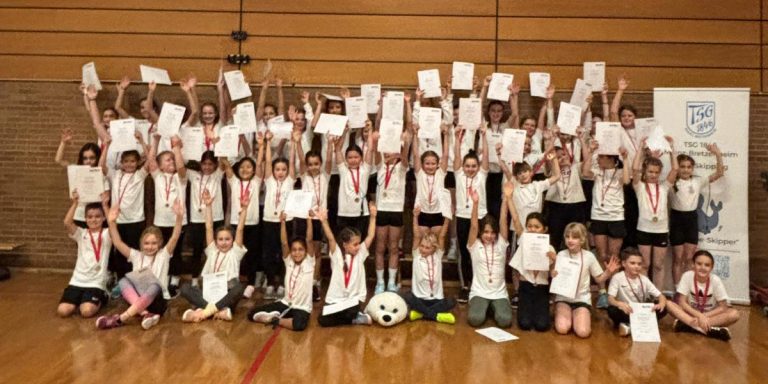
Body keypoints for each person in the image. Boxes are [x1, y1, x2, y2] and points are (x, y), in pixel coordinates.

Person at [97, 198, 184, 330]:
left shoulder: (163, 254)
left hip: (157, 301)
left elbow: (175, 237)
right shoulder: (136, 255)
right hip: (139, 298)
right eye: (146, 243)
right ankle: (145, 313)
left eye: (154, 243)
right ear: (141, 244)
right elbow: (118, 243)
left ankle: (120, 319)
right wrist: (112, 222)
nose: (150, 247)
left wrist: (179, 217)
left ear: (160, 243)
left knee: (155, 285)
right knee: (122, 281)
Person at [180, 189, 249, 323]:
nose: (224, 242)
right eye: (221, 239)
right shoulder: (212, 250)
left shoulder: (235, 252)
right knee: (185, 288)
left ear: (232, 240)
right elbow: (209, 227)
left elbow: (240, 229)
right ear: (216, 241)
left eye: (227, 239)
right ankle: (218, 311)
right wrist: (208, 206)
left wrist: (244, 209)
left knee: (240, 288)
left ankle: (204, 311)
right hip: (208, 291)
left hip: (225, 292)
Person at [316, 205, 378, 327]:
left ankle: (353, 316)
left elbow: (370, 235)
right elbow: (331, 239)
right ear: (345, 245)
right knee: (322, 319)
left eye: (359, 243)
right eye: (355, 244)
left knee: (351, 310)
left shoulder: (360, 254)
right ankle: (354, 319)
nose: (358, 246)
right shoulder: (337, 255)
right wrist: (324, 221)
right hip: (336, 300)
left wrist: (372, 217)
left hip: (352, 301)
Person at [57, 193, 111, 319]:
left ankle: (104, 295)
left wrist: (105, 205)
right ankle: (81, 299)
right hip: (77, 280)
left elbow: (113, 224)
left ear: (103, 218)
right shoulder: (81, 233)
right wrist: (75, 203)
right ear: (85, 219)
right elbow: (67, 222)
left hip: (96, 283)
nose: (94, 220)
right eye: (90, 217)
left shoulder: (107, 234)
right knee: (63, 311)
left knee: (86, 312)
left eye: (98, 216)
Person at [675, 250, 740, 341]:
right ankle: (709, 328)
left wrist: (704, 316)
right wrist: (699, 316)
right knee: (669, 304)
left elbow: (723, 307)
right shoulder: (687, 276)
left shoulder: (716, 280)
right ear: (693, 265)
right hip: (691, 314)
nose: (703, 267)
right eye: (699, 264)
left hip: (710, 316)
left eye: (707, 265)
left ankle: (690, 326)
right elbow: (681, 302)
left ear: (712, 267)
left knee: (734, 314)